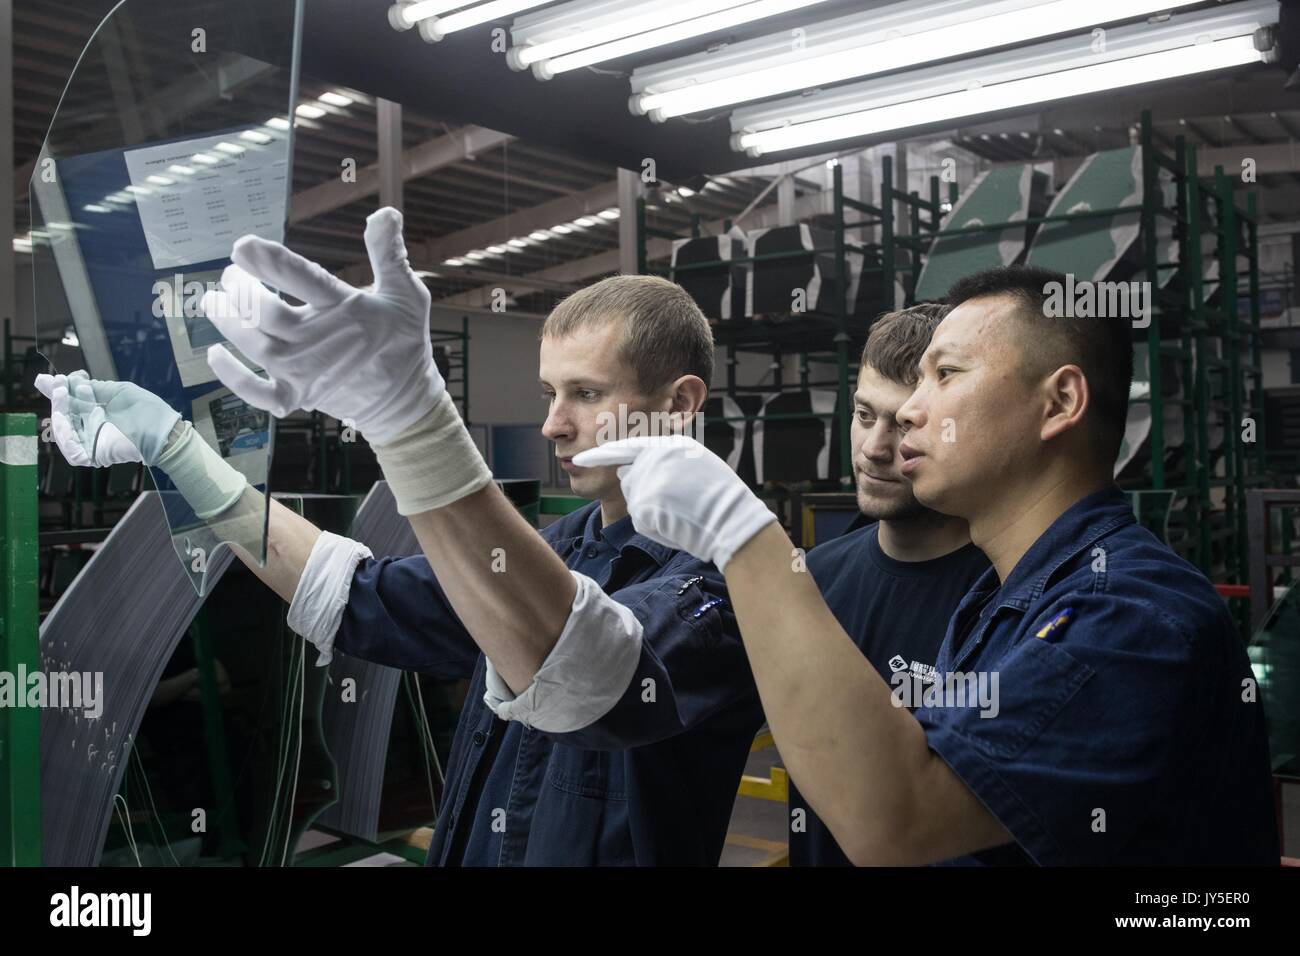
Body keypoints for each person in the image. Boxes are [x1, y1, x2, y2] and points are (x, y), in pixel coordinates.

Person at [37, 208, 764, 866]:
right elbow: (349, 592)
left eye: (588, 394)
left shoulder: (728, 578)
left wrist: (409, 418)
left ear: (679, 403)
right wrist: (181, 453)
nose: (553, 426)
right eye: (550, 395)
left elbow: (588, 679)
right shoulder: (556, 551)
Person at [580, 264, 1280, 865]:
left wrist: (744, 538)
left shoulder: (1130, 616)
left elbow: (896, 819)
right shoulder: (1000, 602)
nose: (910, 412)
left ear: (1060, 401)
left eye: (945, 375)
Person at [792, 302, 990, 867]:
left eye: (904, 424)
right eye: (862, 414)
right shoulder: (815, 576)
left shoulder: (1010, 598)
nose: (874, 449)